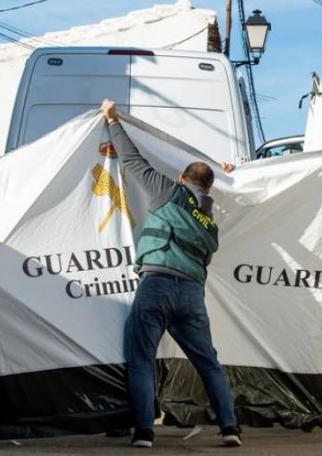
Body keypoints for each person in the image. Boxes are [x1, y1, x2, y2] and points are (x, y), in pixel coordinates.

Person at [101, 99, 241, 449]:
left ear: (182, 179)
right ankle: (230, 429)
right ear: (208, 188)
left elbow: (133, 161)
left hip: (157, 286)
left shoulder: (168, 193)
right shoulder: (210, 223)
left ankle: (144, 433)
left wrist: (113, 121)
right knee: (208, 363)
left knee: (141, 359)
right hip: (191, 295)